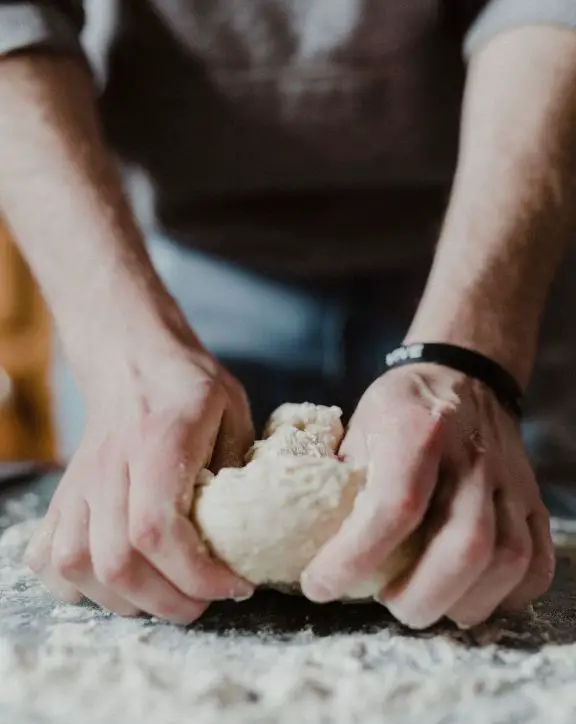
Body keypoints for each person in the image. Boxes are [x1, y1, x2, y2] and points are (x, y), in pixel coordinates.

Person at [0, 1, 574, 629]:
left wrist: (472, 354)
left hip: (498, 241)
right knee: (138, 544)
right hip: (158, 263)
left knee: (487, 561)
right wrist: (123, 354)